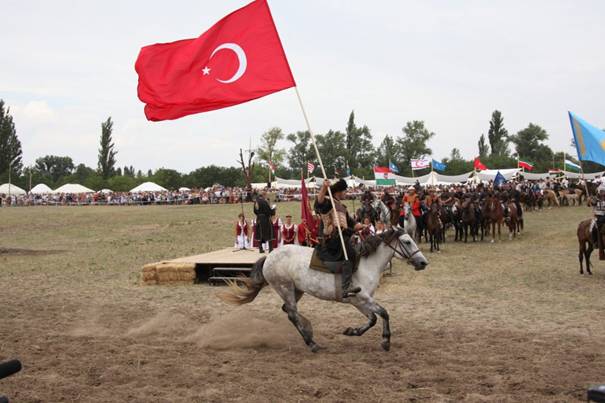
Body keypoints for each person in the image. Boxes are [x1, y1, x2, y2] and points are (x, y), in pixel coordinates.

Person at [315, 178, 365, 298]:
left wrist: (360, 225)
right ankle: (345, 287)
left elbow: (352, 223)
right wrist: (324, 187)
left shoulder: (342, 206)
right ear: (339, 192)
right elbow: (319, 203)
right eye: (345, 191)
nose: (346, 193)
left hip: (343, 236)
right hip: (333, 239)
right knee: (350, 253)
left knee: (358, 249)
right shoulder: (329, 202)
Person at [593, 183, 605, 259]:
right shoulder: (595, 199)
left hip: (604, 216)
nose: (602, 193)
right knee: (593, 228)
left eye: (603, 191)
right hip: (597, 216)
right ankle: (595, 242)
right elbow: (590, 204)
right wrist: (589, 200)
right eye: (601, 191)